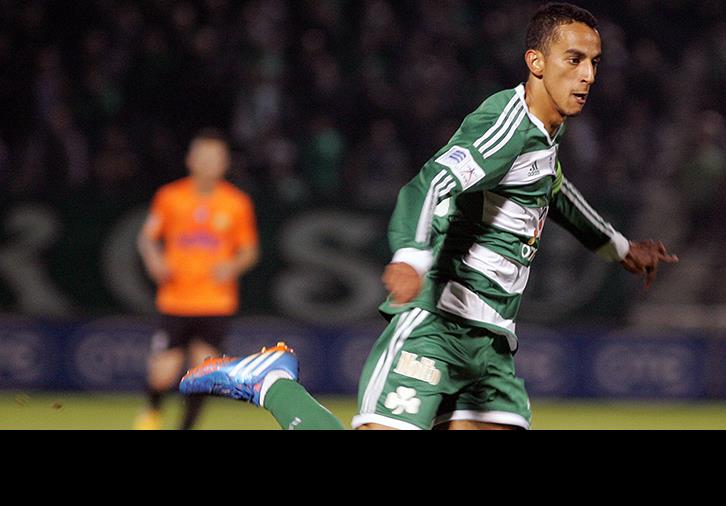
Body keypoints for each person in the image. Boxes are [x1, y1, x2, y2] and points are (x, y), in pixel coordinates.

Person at [180, 3, 677, 430]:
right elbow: (432, 183)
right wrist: (412, 256)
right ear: (537, 62)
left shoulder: (546, 132)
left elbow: (554, 188)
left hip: (491, 343)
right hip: (439, 324)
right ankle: (270, 383)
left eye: (594, 62)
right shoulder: (506, 125)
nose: (589, 75)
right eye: (575, 59)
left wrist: (619, 247)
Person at [135, 129, 260, 430]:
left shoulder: (237, 203)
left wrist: (232, 266)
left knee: (203, 372)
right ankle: (152, 412)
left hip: (215, 302)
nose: (207, 163)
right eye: (202, 156)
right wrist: (154, 260)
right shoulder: (170, 197)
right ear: (190, 159)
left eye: (214, 158)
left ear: (224, 163)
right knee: (162, 374)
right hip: (175, 299)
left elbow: (249, 251)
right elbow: (147, 238)